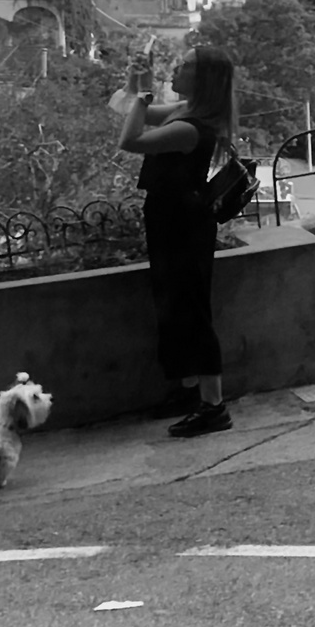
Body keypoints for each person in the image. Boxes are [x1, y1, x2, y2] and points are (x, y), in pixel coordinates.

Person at [117, 45, 239, 438]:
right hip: (169, 220)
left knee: (192, 310)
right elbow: (121, 106)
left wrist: (144, 96)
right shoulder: (182, 113)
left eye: (185, 65)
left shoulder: (192, 129)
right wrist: (137, 82)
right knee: (171, 307)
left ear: (201, 79)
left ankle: (213, 406)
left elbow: (130, 139)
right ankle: (187, 391)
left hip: (186, 226)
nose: (176, 68)